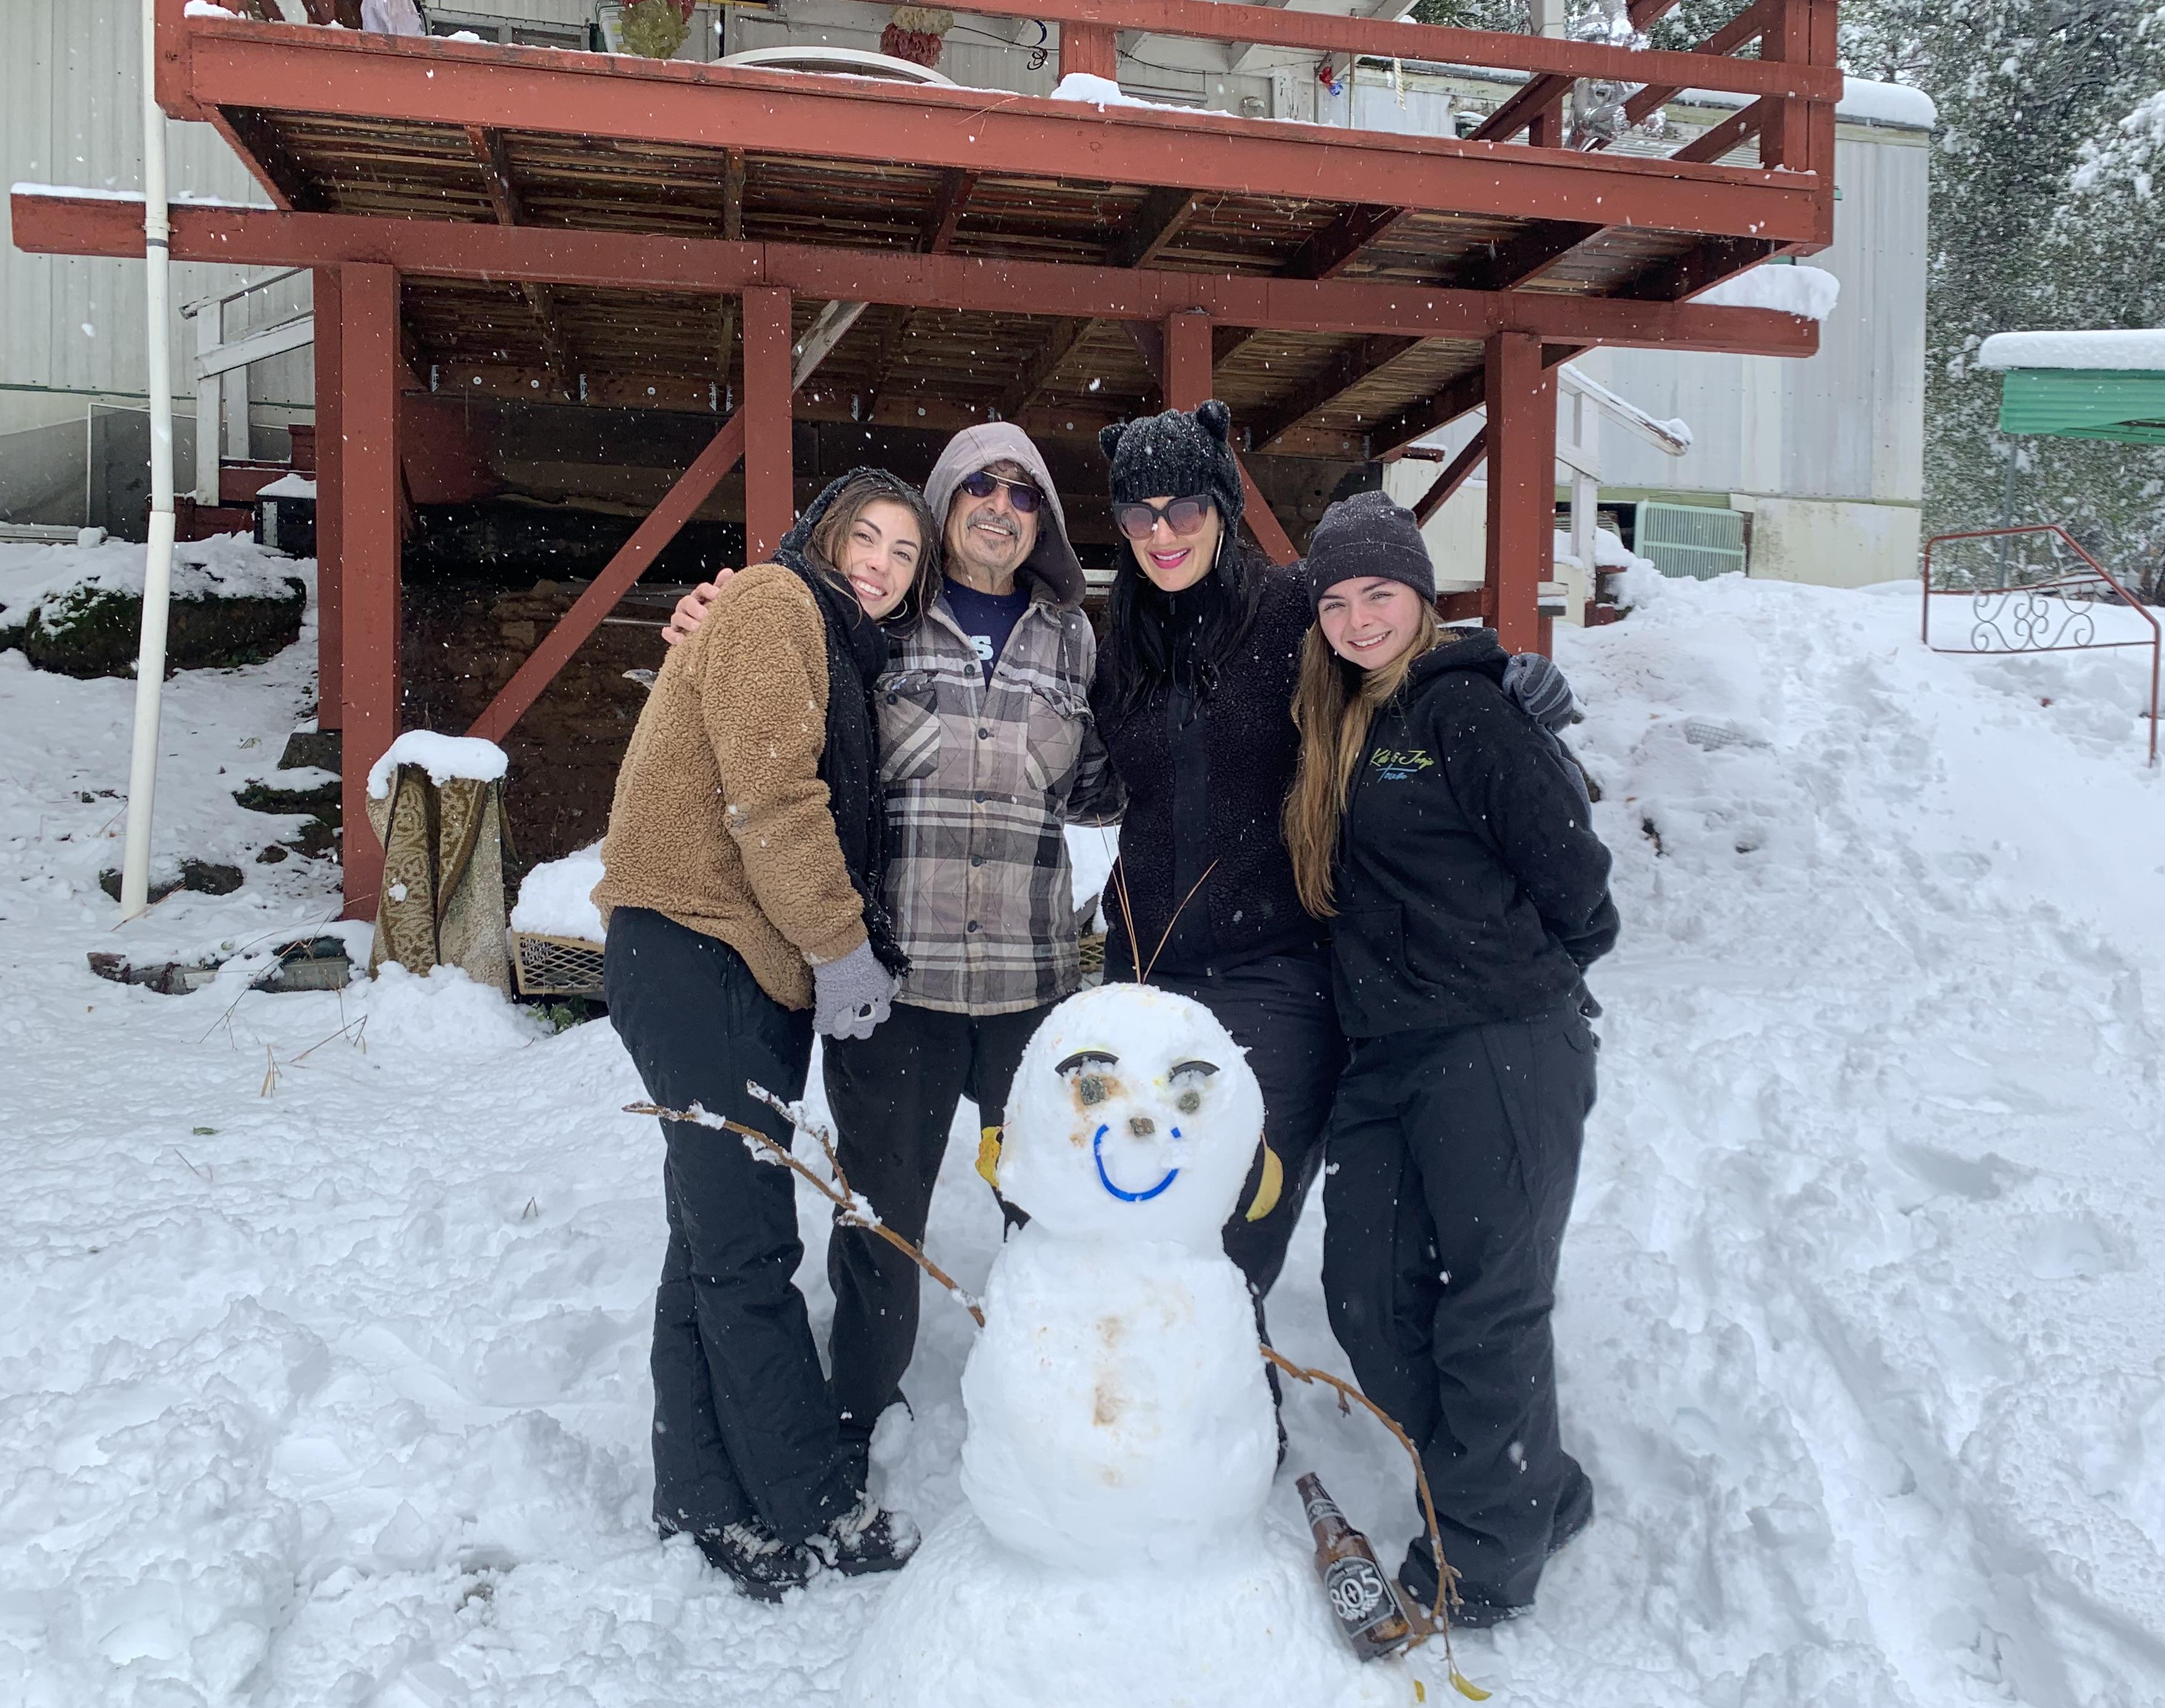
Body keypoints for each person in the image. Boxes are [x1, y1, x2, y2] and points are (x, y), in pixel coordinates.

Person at [664, 424, 1118, 1467]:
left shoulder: (1077, 641)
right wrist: (710, 615)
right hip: (897, 985)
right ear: (945, 503)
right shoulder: (872, 625)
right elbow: (768, 681)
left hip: (1031, 987)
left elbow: (1106, 779)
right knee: (881, 1225)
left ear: (1041, 521)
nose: (1001, 505)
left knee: (1053, 1216)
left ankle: (1056, 1408)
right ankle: (859, 1410)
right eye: (979, 488)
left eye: (1025, 493)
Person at [594, 469, 940, 1601]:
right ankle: (812, 1503)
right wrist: (843, 949)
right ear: (822, 535)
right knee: (748, 1250)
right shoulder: (777, 606)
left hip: (724, 960)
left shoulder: (830, 643)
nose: (881, 563)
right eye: (867, 536)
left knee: (707, 1238)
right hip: (700, 951)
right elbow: (772, 796)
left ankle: (702, 1494)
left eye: (904, 553)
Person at [1284, 492, 1619, 1631]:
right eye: (1336, 600)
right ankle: (1536, 1491)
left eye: (1380, 594)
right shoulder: (1345, 719)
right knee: (1366, 1293)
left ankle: (1483, 1559)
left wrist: (1512, 983)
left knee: (1489, 1305)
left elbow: (1580, 887)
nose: (1358, 618)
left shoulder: (1468, 711)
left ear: (1423, 599)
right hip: (1387, 1054)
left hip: (1499, 1044)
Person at [1086, 400, 1340, 1329]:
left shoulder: (1295, 609)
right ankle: (1154, 1392)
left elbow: (1392, 647)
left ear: (1223, 510)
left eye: (1184, 510)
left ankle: (1229, 1387)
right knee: (1138, 1190)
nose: (1162, 534)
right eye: (1138, 515)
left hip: (1271, 959)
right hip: (1146, 964)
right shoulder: (1122, 643)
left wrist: (1485, 673)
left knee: (1246, 1200)